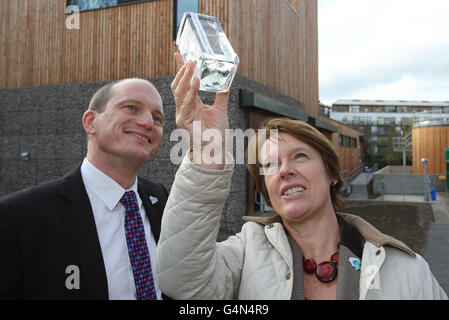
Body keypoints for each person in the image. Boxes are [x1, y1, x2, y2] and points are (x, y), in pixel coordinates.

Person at [156, 55, 448, 300]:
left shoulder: (407, 270)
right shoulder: (244, 255)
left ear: (332, 173)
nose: (284, 170)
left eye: (300, 156)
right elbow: (182, 282)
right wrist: (207, 151)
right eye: (270, 164)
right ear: (267, 190)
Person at [0, 78, 169, 300]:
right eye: (131, 108)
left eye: (157, 118)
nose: (148, 122)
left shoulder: (160, 198)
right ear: (90, 122)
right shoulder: (19, 216)